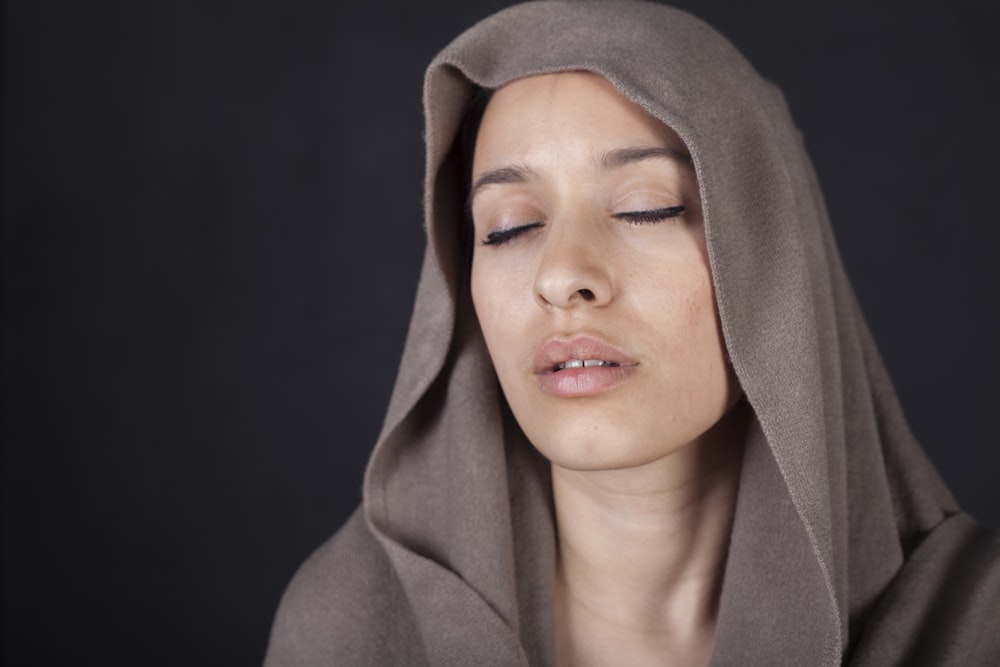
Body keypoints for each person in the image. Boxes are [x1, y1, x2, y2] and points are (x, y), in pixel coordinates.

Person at [264, 1, 1000, 664]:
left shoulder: (977, 627)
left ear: (774, 257)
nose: (562, 276)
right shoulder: (349, 630)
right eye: (510, 226)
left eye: (645, 208)